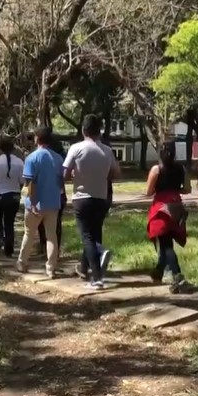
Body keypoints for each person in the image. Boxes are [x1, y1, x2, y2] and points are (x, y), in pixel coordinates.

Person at [64, 114, 120, 290]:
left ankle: (97, 278)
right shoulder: (107, 150)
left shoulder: (76, 148)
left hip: (81, 198)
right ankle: (84, 268)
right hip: (101, 198)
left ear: (83, 130)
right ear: (99, 131)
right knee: (95, 233)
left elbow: (65, 173)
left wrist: (74, 175)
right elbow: (116, 173)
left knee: (87, 237)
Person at [16, 127, 65, 278]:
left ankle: (22, 262)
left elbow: (29, 182)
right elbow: (61, 180)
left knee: (29, 234)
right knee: (52, 236)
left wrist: (33, 202)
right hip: (53, 202)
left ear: (37, 138)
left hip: (36, 204)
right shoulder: (58, 158)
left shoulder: (32, 158)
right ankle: (51, 268)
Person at [146, 141, 191, 293]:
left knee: (166, 244)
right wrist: (175, 189)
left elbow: (149, 191)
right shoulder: (182, 169)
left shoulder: (156, 169)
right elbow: (187, 189)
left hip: (161, 208)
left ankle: (178, 275)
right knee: (168, 241)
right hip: (176, 206)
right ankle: (158, 272)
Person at [0, 137, 23, 258]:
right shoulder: (19, 162)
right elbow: (22, 180)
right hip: (13, 196)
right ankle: (9, 247)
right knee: (9, 222)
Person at [38, 134, 67, 258]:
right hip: (59, 194)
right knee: (56, 224)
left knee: (41, 223)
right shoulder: (61, 159)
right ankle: (56, 250)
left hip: (43, 195)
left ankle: (44, 247)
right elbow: (64, 177)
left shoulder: (41, 157)